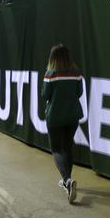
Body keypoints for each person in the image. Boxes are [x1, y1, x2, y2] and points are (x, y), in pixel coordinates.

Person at [41, 44, 83, 204]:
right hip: (73, 116)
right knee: (67, 147)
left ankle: (67, 180)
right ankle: (68, 181)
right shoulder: (77, 73)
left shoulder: (50, 74)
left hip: (55, 117)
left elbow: (45, 95)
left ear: (53, 57)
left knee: (57, 149)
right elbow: (79, 93)